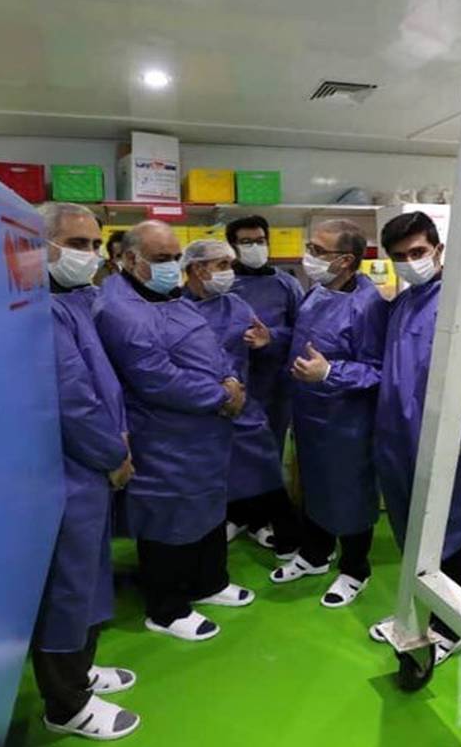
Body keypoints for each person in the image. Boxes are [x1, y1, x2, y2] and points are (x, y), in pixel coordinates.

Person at [93, 220, 255, 642]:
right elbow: (155, 378)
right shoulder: (119, 310)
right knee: (168, 519)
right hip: (166, 435)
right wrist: (219, 396)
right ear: (131, 259)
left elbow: (210, 346)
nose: (171, 266)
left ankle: (209, 581)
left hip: (206, 433)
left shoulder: (167, 295)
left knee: (208, 508)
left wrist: (231, 380)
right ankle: (166, 609)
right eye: (161, 258)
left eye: (175, 257)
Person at [33, 203, 140, 741]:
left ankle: (82, 672)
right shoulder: (43, 311)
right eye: (77, 244)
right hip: (71, 469)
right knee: (69, 585)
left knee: (91, 576)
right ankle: (66, 704)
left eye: (96, 245)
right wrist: (111, 455)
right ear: (39, 243)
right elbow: (72, 402)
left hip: (91, 465)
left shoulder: (74, 301)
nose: (91, 255)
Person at [370, 211, 461, 665]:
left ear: (439, 250)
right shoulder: (404, 303)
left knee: (449, 535)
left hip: (447, 442)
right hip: (400, 439)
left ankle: (448, 629)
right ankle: (416, 614)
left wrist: (457, 438)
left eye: (418, 252)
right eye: (400, 256)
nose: (411, 262)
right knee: (414, 533)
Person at [270, 219, 388, 607]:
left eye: (319, 251)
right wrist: (272, 338)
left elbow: (378, 370)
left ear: (346, 260)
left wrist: (330, 373)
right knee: (314, 487)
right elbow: (304, 338)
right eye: (310, 247)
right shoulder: (317, 292)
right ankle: (316, 554)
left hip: (347, 421)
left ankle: (355, 569)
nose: (310, 257)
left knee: (350, 494)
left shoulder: (368, 305)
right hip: (309, 414)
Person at [181, 239, 303, 559]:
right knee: (209, 480)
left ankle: (287, 536)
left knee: (264, 468)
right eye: (222, 265)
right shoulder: (175, 310)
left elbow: (278, 338)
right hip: (198, 409)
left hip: (241, 405)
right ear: (197, 269)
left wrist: (266, 340)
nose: (230, 273)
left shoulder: (236, 305)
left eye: (230, 265)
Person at [225, 216, 306, 551]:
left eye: (260, 240)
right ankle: (236, 513)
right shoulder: (223, 282)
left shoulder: (286, 285)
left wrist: (271, 337)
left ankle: (260, 519)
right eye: (246, 242)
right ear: (232, 246)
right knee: (233, 452)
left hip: (273, 385)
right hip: (231, 383)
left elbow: (303, 331)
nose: (255, 247)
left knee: (266, 453)